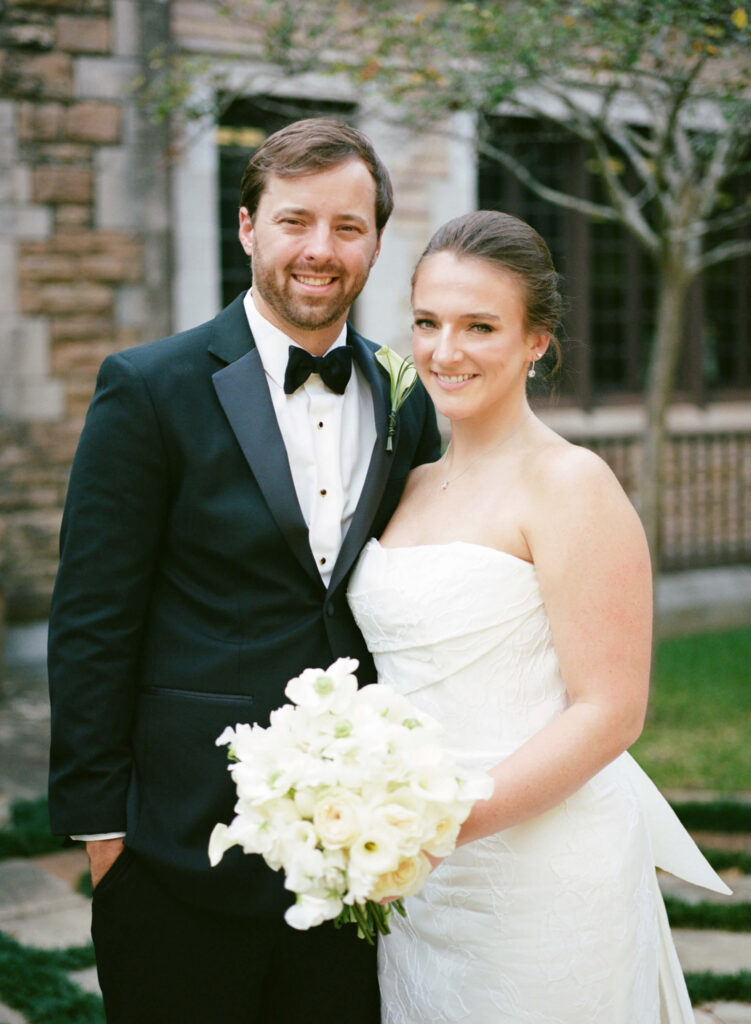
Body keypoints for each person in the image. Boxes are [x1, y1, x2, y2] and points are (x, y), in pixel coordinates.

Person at [47, 117, 441, 1024]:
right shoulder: (148, 387)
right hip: (180, 847)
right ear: (247, 228)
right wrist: (105, 833)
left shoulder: (401, 394)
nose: (319, 249)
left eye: (348, 227)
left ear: (376, 241)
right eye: (295, 220)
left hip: (352, 859)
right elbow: (93, 619)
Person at [346, 210, 730, 1023]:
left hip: (540, 869)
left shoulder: (569, 483)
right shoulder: (408, 485)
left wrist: (435, 827)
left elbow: (610, 711)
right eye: (427, 323)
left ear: (536, 341)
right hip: (417, 887)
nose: (445, 352)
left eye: (479, 326)